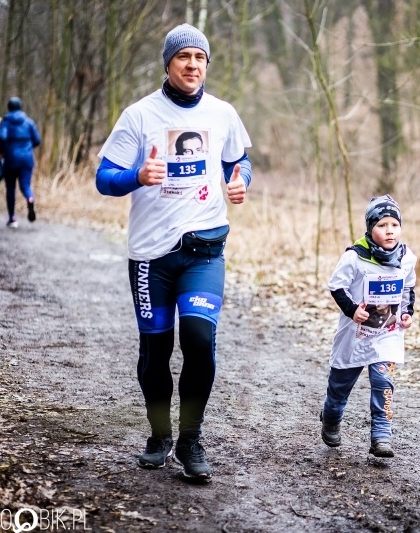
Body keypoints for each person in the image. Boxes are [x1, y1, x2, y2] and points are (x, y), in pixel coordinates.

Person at [95, 23, 253, 482]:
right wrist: (136, 177)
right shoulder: (139, 116)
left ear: (207, 65)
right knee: (156, 350)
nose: (193, 65)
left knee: (200, 341)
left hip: (204, 248)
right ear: (168, 64)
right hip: (151, 257)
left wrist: (241, 179)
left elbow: (238, 160)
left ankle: (190, 439)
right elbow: (104, 178)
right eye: (184, 57)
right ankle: (160, 433)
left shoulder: (223, 113)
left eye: (200, 58)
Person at [321, 195, 416, 458]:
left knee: (383, 380)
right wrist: (352, 311)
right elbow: (336, 286)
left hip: (387, 334)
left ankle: (381, 436)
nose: (389, 231)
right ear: (370, 227)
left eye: (394, 225)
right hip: (354, 335)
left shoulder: (407, 258)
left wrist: (407, 313)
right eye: (382, 225)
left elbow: (408, 288)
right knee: (340, 386)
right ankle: (330, 417)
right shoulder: (355, 256)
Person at [0, 97, 41, 228]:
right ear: (21, 106)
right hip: (27, 159)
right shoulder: (29, 122)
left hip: (11, 159)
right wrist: (27, 147)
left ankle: (12, 218)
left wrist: (2, 151)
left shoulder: (6, 122)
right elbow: (37, 140)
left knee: (10, 188)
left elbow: (2, 137)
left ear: (9, 107)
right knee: (25, 186)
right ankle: (30, 198)